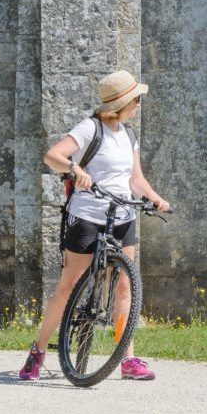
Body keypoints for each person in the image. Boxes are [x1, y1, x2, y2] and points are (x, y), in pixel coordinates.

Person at [20, 70, 172, 381]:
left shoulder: (129, 135)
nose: (139, 105)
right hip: (89, 215)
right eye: (136, 100)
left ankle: (127, 358)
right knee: (68, 286)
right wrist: (76, 169)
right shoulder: (90, 129)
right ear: (121, 103)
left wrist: (156, 199)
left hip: (122, 216)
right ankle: (38, 350)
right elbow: (53, 156)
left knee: (126, 285)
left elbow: (135, 179)